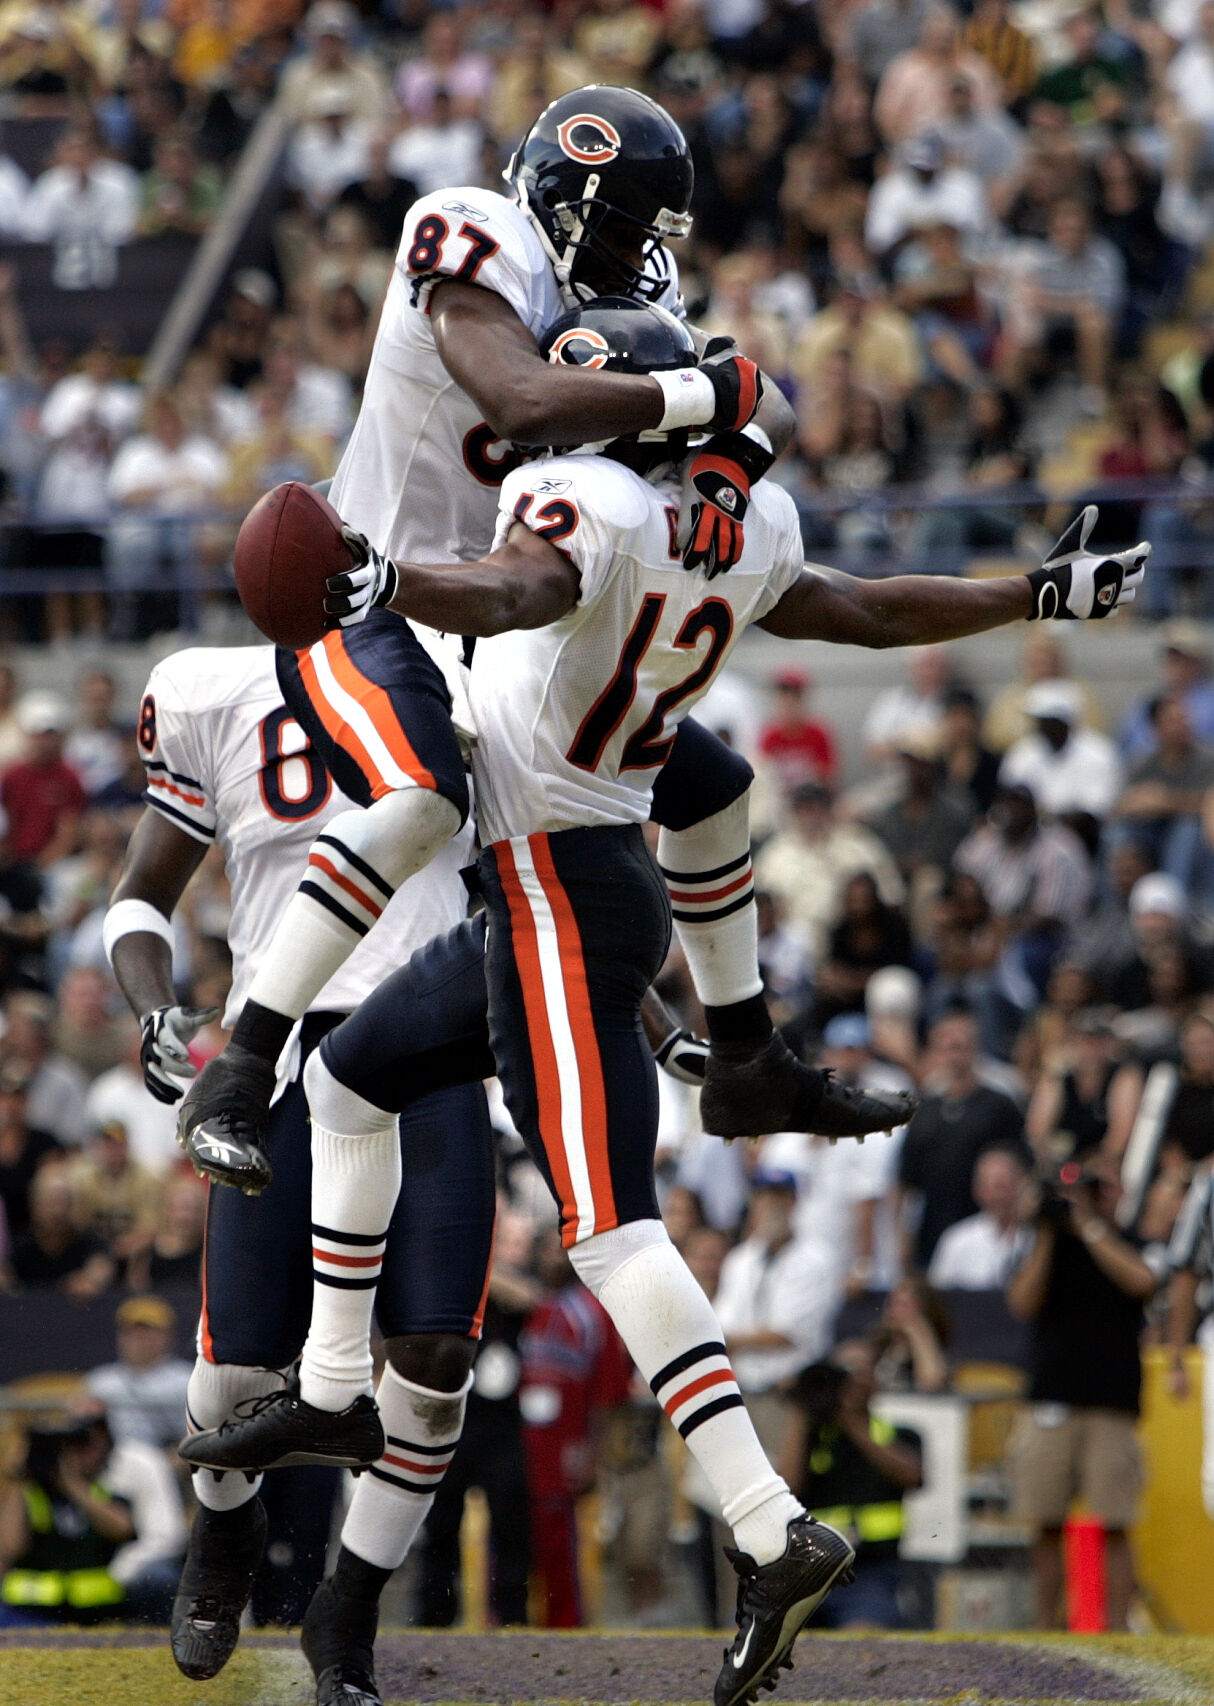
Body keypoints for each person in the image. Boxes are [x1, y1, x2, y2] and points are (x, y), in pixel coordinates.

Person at [183, 298, 1146, 1706]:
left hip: (564, 901)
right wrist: (1029, 591)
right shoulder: (737, 528)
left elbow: (514, 587)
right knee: (348, 1079)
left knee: (608, 1228)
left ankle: (766, 1526)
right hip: (562, 880)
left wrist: (389, 575)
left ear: (610, 400)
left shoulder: (590, 506)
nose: (531, 421)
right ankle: (336, 1377)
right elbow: (865, 611)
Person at [177, 82, 859, 1195]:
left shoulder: (635, 285)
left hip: (519, 612)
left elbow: (759, 403)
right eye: (634, 222)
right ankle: (240, 1066)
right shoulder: (473, 233)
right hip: (388, 595)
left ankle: (742, 1056)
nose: (646, 254)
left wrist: (731, 451)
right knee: (424, 800)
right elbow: (523, 400)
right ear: (576, 199)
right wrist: (705, 401)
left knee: (709, 784)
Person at [101, 643, 492, 1696]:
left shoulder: (464, 676)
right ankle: (225, 1530)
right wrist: (150, 1010)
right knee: (237, 1368)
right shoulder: (218, 693)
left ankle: (346, 1612)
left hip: (431, 1041)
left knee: (434, 1359)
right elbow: (142, 887)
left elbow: (541, 870)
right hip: (274, 1052)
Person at [1006, 1159, 1160, 1631]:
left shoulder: (1130, 1243)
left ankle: (1115, 1626)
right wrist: (1049, 1232)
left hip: (1110, 1401)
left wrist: (1089, 1226)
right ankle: (1046, 1624)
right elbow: (1022, 1303)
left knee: (1115, 1521)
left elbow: (1142, 1282)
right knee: (1045, 1521)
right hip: (1051, 1397)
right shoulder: (1042, 1246)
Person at [0, 1395, 185, 1625]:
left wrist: (72, 1484)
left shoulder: (105, 1482)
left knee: (161, 1578)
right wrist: (21, 1477)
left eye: (81, 1442)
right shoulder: (31, 1489)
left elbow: (121, 1528)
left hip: (96, 1606)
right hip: (32, 1608)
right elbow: (9, 1547)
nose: (80, 1451)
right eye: (71, 1443)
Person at [779, 1344, 922, 1629]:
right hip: (808, 1570)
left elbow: (911, 1476)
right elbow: (787, 1488)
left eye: (859, 1371)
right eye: (844, 1373)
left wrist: (854, 1422)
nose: (852, 1381)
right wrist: (802, 1406)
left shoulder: (897, 1434)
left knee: (862, 1637)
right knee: (762, 1639)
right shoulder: (811, 1438)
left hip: (869, 1571)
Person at [712, 1168, 839, 1455]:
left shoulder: (816, 1259)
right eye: (763, 1196)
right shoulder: (741, 1258)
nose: (770, 1205)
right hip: (741, 1394)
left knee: (785, 1484)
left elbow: (787, 1334)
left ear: (794, 1202)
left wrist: (729, 1340)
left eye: (779, 1197)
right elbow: (723, 1321)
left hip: (787, 1396)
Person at [899, 1009, 1027, 1269]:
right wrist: (902, 1237)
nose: (954, 1056)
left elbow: (1022, 1163)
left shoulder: (998, 1105)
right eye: (946, 1048)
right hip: (932, 1226)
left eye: (960, 1047)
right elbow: (906, 1180)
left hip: (985, 1225)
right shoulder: (925, 1109)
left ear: (975, 1050)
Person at [86, 1295, 192, 1452]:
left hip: (169, 1462)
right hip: (112, 1464)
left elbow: (201, 1436)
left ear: (167, 1335)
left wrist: (176, 1461)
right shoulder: (101, 1381)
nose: (139, 1339)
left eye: (148, 1332)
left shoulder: (187, 1379)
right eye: (132, 1333)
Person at [927, 1146, 1032, 1288]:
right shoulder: (957, 1239)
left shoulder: (1036, 1237)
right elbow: (937, 1296)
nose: (997, 1195)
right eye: (989, 1185)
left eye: (1002, 1185)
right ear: (977, 1189)